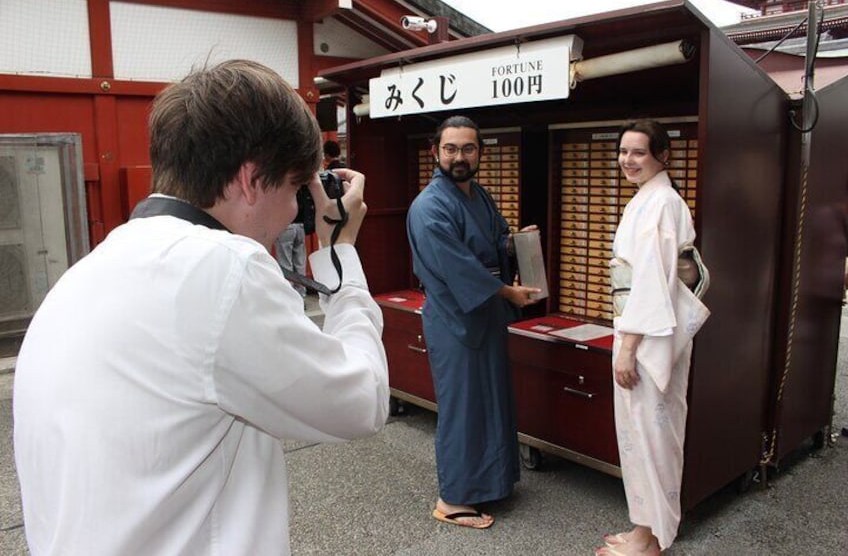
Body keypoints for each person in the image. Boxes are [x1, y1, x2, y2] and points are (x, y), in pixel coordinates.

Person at [13, 59, 389, 555]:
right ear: (251, 180)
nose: (297, 210)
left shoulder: (90, 271)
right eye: (297, 189)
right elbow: (361, 401)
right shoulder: (222, 270)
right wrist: (341, 250)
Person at [406, 115, 541, 529]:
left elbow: (493, 240)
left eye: (468, 148)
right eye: (451, 149)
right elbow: (458, 266)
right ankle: (453, 499)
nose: (459, 157)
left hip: (485, 316)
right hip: (455, 319)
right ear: (436, 152)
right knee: (463, 407)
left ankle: (491, 484)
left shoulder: (478, 195)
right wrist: (507, 292)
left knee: (492, 400)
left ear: (480, 152)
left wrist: (515, 242)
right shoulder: (429, 206)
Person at [597, 120, 709, 556]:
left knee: (654, 436)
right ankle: (642, 527)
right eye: (623, 151)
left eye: (638, 152)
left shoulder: (663, 202)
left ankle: (653, 538)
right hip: (637, 330)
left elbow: (651, 281)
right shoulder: (648, 200)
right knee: (637, 433)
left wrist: (628, 347)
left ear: (663, 155)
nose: (628, 160)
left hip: (647, 339)